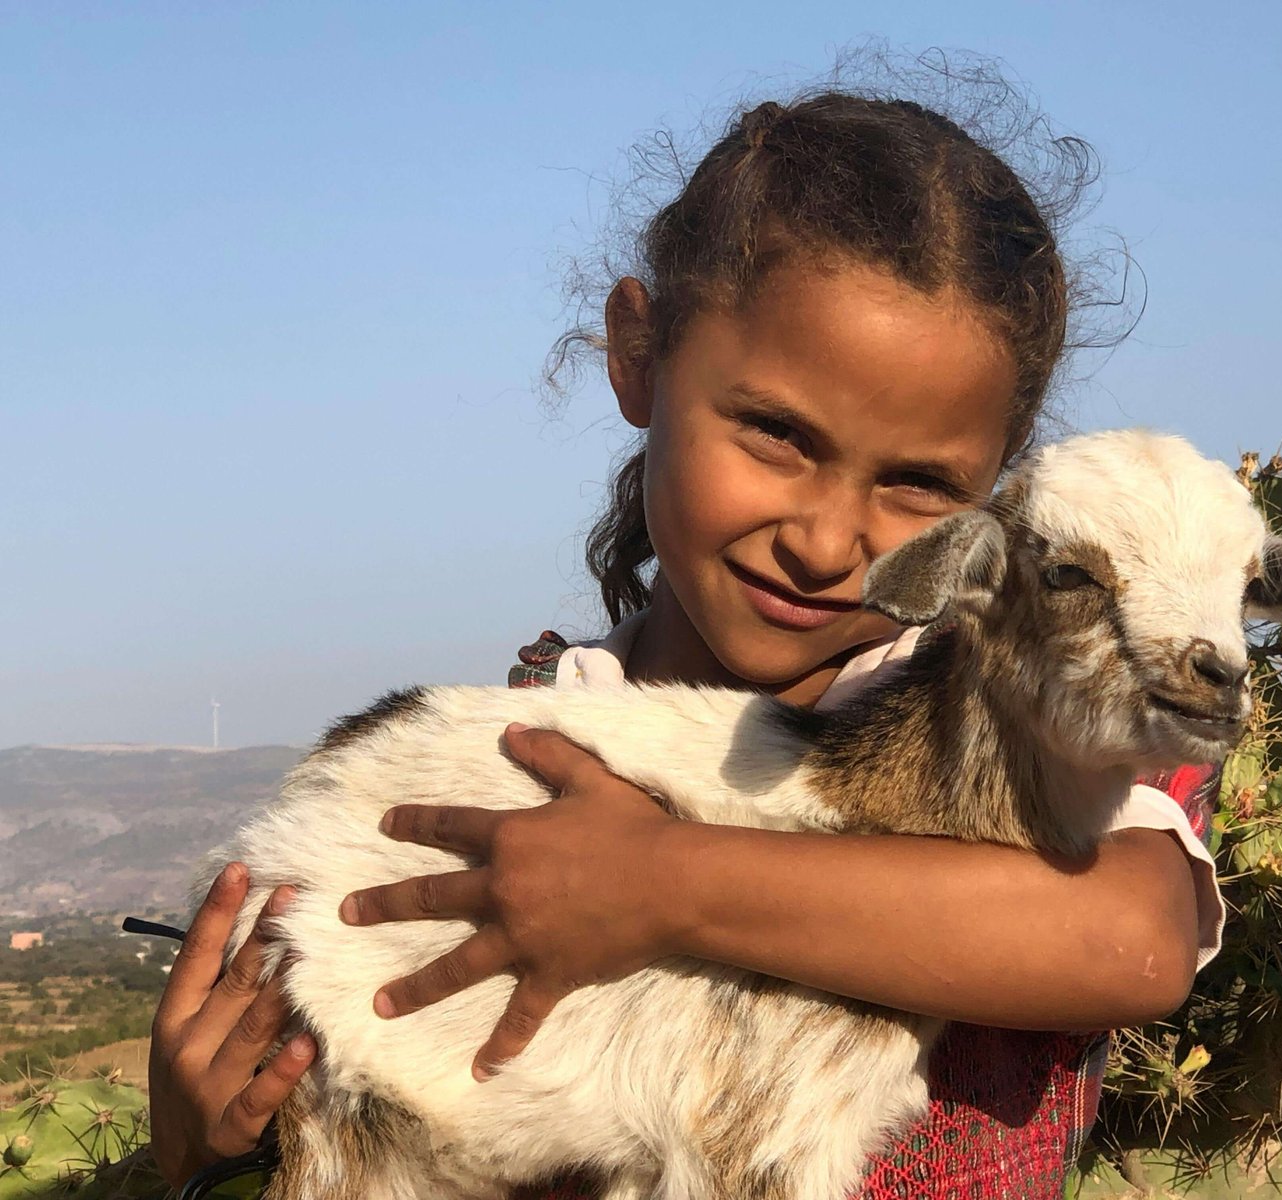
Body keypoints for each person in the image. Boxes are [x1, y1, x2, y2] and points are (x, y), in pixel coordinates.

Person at [148, 83, 1225, 1199]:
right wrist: (200, 1152)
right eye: (775, 434)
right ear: (636, 356)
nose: (826, 541)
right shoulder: (516, 747)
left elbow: (1131, 938)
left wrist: (656, 884)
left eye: (919, 484)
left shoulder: (1024, 735)